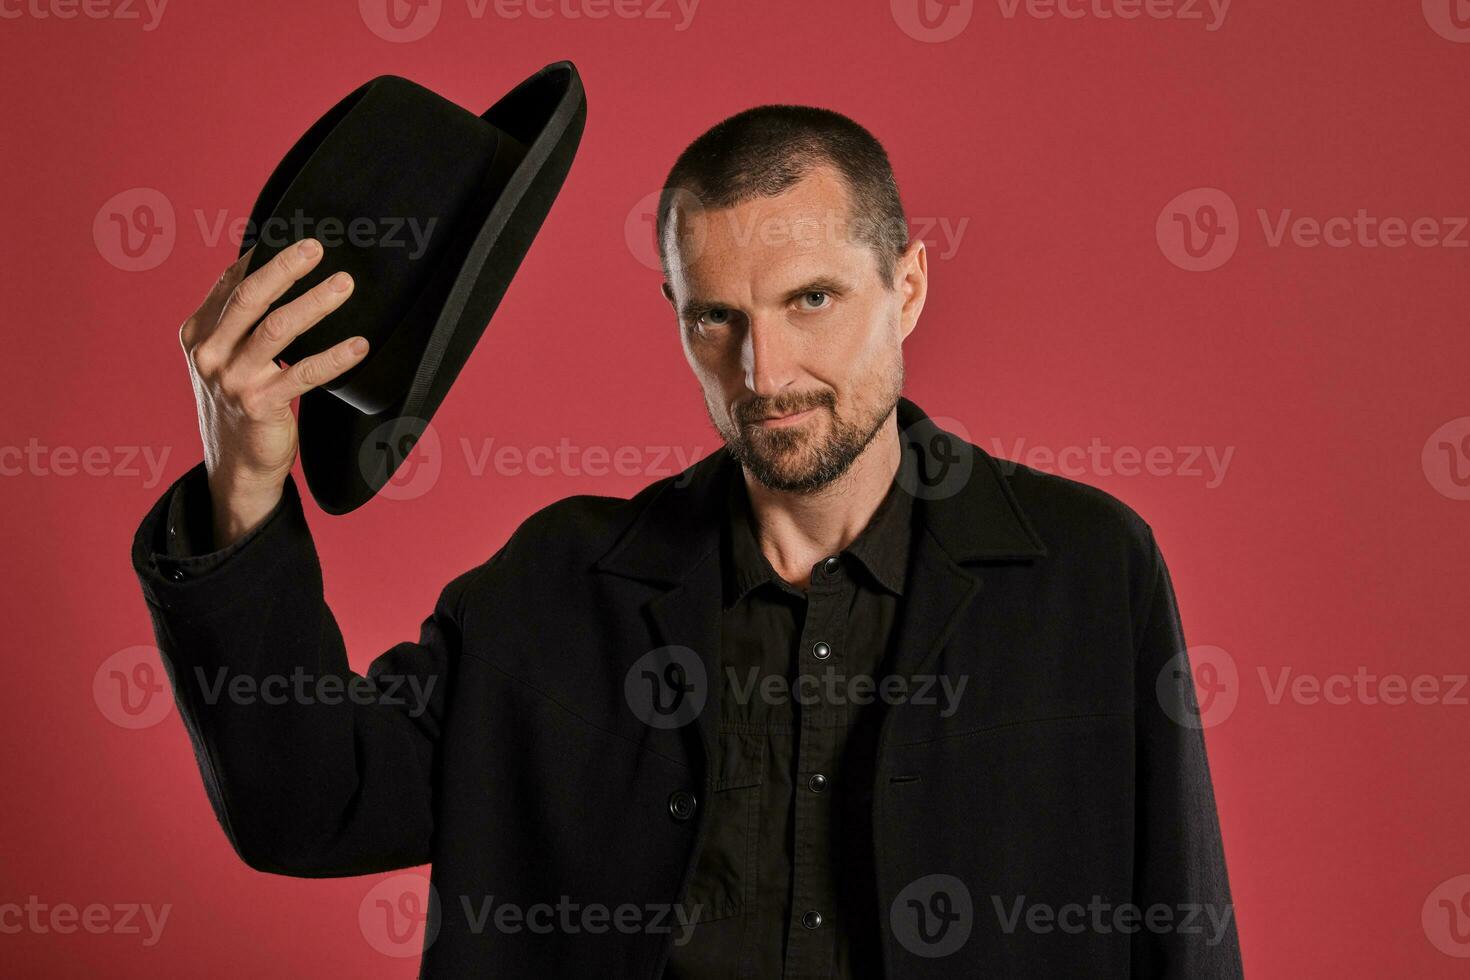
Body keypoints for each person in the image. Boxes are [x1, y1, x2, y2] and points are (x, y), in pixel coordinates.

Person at [131, 104, 1244, 979]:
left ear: (905, 286)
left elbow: (1182, 937)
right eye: (718, 317)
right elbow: (308, 802)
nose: (764, 374)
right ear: (674, 309)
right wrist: (246, 482)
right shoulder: (555, 588)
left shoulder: (1090, 568)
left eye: (812, 300)